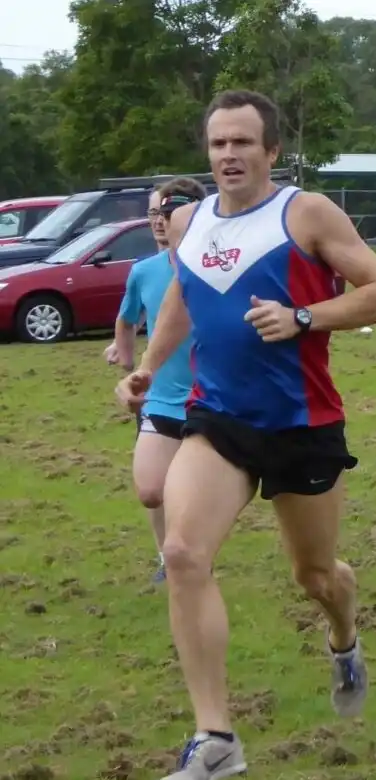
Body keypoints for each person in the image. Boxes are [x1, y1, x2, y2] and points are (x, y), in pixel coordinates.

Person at [112, 89, 376, 780]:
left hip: (303, 425)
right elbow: (180, 299)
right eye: (218, 144)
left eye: (243, 142)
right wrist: (148, 368)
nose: (229, 155)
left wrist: (304, 315)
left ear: (272, 151)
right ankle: (216, 736)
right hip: (219, 421)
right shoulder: (192, 219)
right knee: (181, 550)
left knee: (316, 576)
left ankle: (345, 637)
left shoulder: (304, 212)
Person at [105, 178, 208, 584]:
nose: (161, 222)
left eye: (169, 212)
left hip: (210, 399)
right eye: (155, 213)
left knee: (195, 485)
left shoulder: (221, 268)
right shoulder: (143, 271)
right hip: (159, 396)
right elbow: (127, 318)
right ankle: (169, 554)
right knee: (152, 490)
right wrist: (127, 359)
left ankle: (186, 553)